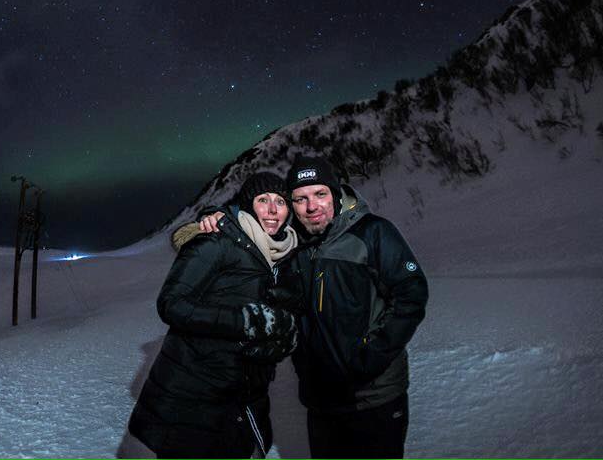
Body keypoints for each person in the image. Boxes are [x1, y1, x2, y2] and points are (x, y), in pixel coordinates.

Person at [198, 155, 428, 458]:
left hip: (375, 397)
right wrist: (217, 215)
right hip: (321, 400)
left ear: (335, 193)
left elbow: (412, 294)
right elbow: (251, 223)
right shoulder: (293, 246)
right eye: (300, 198)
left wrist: (372, 354)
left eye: (320, 194)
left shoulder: (373, 233)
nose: (311, 206)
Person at [127, 172, 300, 458]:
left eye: (280, 201)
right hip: (195, 397)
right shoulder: (217, 241)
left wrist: (282, 337)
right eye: (263, 200)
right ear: (248, 205)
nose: (272, 209)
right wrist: (244, 321)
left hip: (243, 396)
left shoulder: (284, 255)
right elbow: (171, 303)